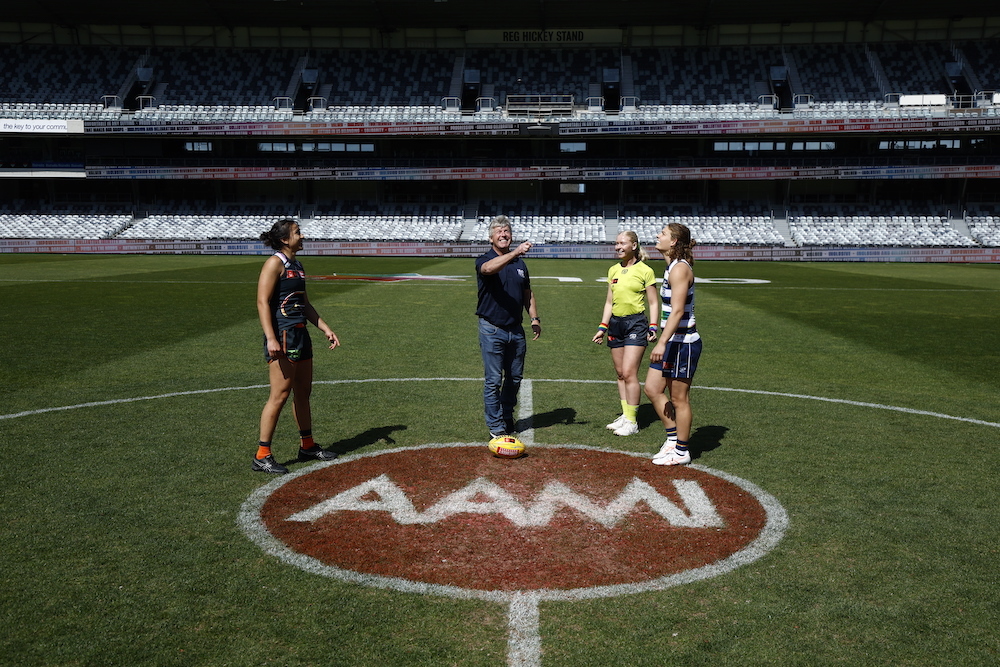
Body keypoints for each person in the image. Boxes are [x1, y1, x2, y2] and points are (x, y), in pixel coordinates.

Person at [253, 218, 340, 474]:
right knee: (279, 396)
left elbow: (305, 304)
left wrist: (325, 327)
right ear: (284, 239)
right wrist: (270, 337)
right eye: (297, 233)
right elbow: (261, 302)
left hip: (301, 336)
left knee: (303, 393)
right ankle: (262, 454)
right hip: (283, 337)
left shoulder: (297, 265)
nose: (302, 236)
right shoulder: (274, 264)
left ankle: (307, 446)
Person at [476, 215, 542, 438]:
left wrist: (534, 318)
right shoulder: (484, 259)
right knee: (493, 381)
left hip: (516, 330)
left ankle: (506, 416)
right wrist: (514, 253)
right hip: (492, 329)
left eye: (507, 231)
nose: (504, 234)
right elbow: (487, 270)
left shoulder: (520, 265)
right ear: (491, 237)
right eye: (499, 231)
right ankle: (496, 426)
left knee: (514, 378)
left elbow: (527, 293)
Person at [645, 222, 702, 466]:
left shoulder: (679, 269)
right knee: (652, 388)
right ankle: (672, 439)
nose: (658, 236)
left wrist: (661, 342)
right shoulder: (671, 267)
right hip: (672, 341)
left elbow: (678, 311)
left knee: (679, 399)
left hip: (683, 343)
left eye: (663, 234)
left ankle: (682, 451)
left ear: (674, 241)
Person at [592, 230, 659, 436]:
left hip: (636, 324)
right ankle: (625, 414)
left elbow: (654, 302)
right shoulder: (613, 270)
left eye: (622, 243)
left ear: (634, 246)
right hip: (615, 324)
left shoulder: (645, 271)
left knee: (630, 373)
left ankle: (632, 421)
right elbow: (609, 302)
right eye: (616, 243)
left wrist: (654, 326)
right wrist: (603, 327)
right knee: (620, 374)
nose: (617, 247)